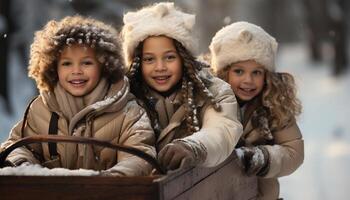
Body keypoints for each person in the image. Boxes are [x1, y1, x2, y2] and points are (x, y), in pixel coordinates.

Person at [0, 16, 156, 176]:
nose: (76, 71)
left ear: (105, 66)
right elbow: (18, 146)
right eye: (67, 63)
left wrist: (111, 180)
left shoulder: (129, 112)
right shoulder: (41, 109)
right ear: (53, 68)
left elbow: (139, 155)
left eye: (86, 63)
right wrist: (23, 165)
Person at [122, 2, 243, 171]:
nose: (160, 67)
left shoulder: (212, 91)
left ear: (184, 58)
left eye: (169, 57)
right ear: (137, 63)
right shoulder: (125, 97)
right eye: (149, 59)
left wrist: (194, 146)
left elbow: (222, 130)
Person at [209, 21, 304, 199]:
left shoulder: (274, 104)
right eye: (239, 71)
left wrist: (263, 158)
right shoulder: (209, 104)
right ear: (223, 73)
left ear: (266, 75)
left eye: (256, 72)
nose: (248, 80)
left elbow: (294, 151)